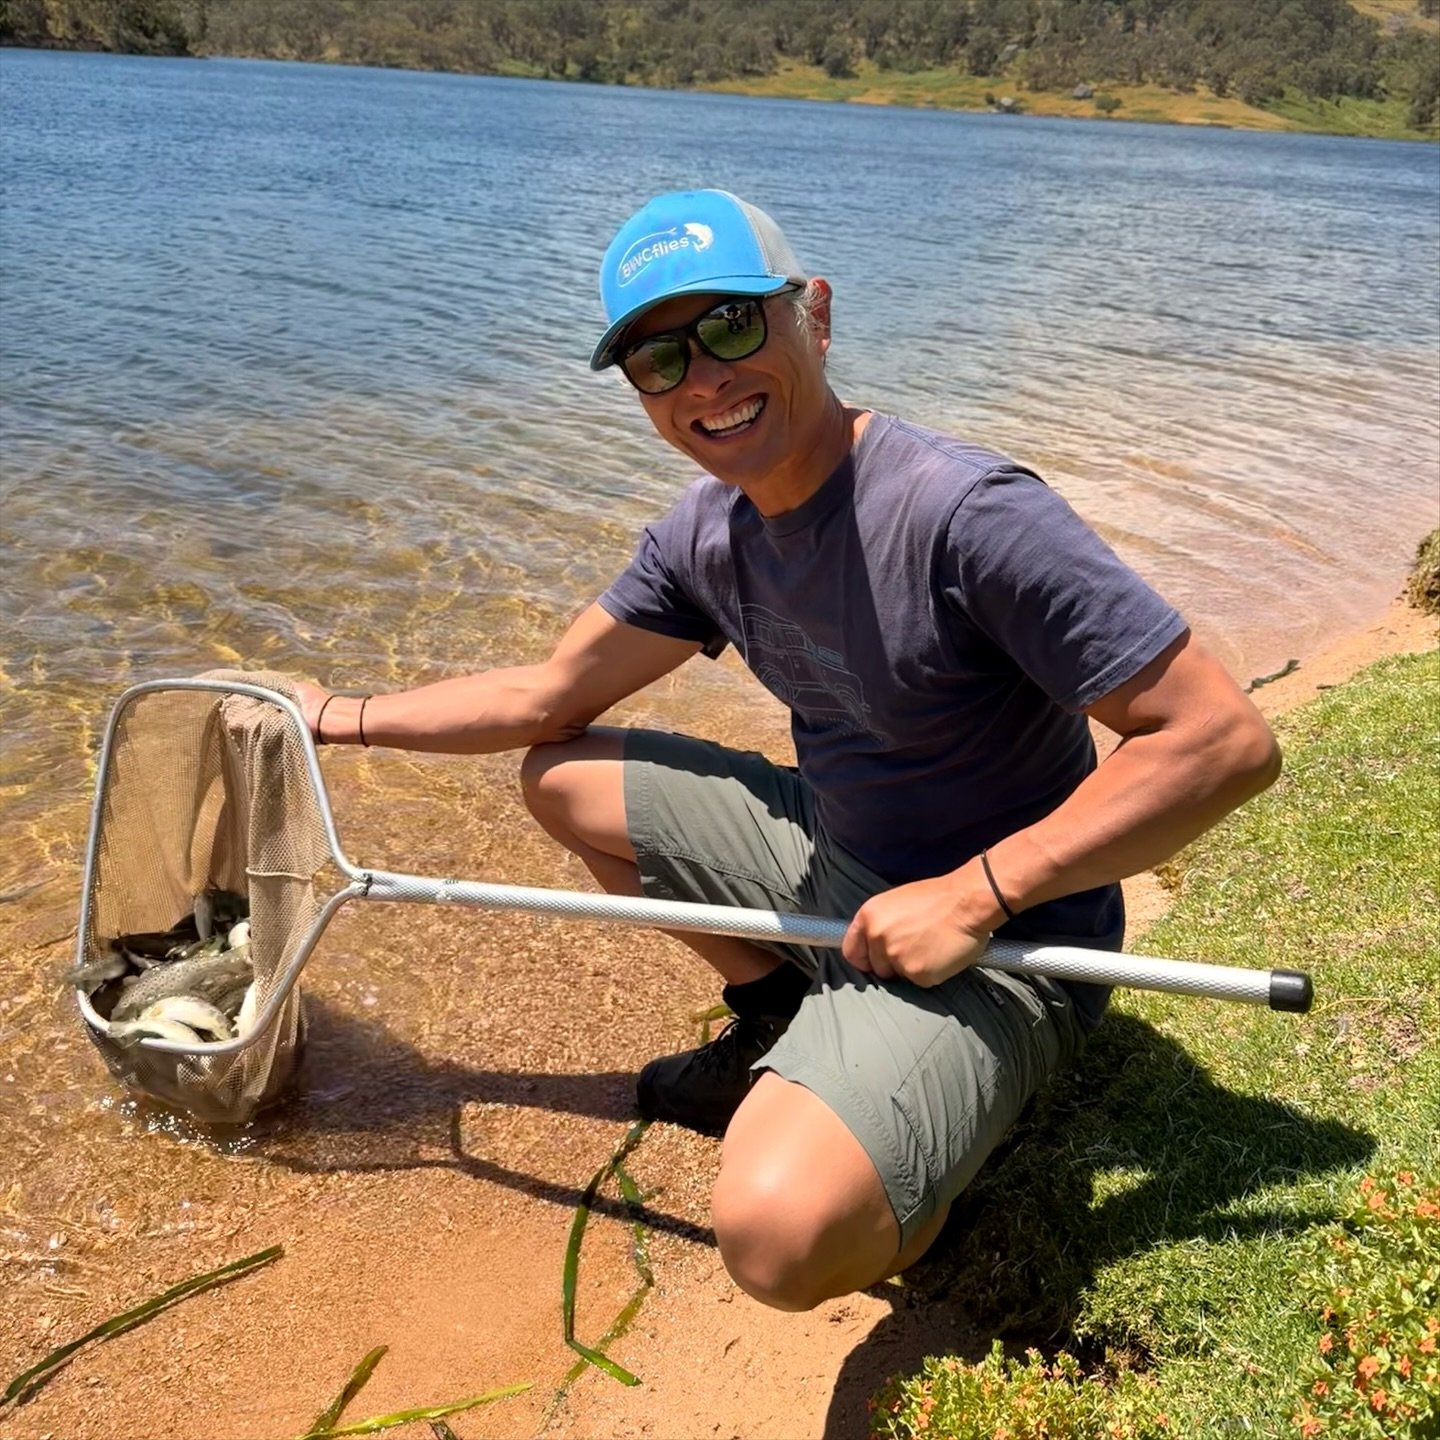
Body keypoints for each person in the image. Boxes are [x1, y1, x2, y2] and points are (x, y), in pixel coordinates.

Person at [295, 189, 1281, 1313]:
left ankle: (929, 1142)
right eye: (657, 359)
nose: (701, 379)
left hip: (1010, 943)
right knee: (562, 775)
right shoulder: (705, 532)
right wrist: (331, 715)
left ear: (811, 312)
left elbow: (1221, 739)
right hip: (837, 858)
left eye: (727, 326)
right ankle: (777, 1017)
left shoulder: (967, 511)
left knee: (773, 1237)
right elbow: (549, 693)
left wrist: (976, 893)